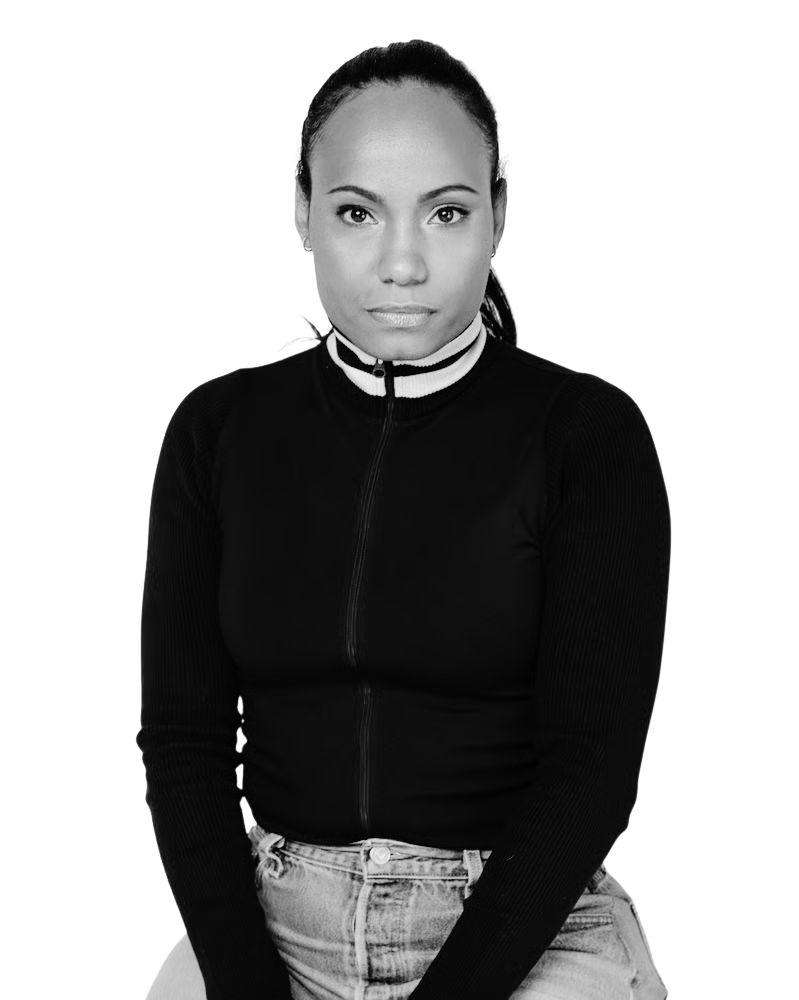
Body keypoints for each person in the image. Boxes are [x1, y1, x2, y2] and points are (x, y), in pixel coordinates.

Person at [139, 38, 671, 1000]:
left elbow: (591, 772)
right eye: (356, 212)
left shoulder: (588, 435)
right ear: (304, 216)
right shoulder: (213, 430)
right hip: (266, 920)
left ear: (496, 216)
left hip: (529, 927)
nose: (402, 263)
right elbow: (182, 738)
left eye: (446, 212)